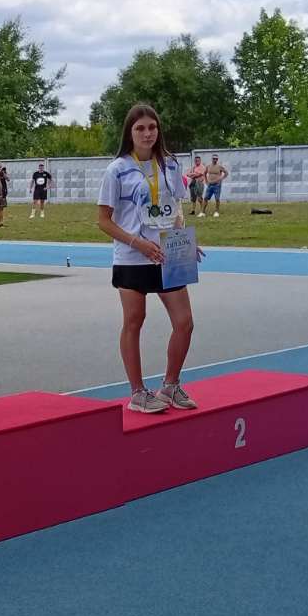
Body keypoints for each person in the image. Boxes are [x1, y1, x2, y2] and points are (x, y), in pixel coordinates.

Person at [97, 103, 200, 415]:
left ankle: (170, 385)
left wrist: (184, 241)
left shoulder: (170, 164)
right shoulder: (117, 169)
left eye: (152, 127)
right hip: (132, 256)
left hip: (167, 255)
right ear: (129, 133)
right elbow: (103, 221)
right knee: (134, 320)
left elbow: (176, 209)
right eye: (140, 128)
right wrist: (138, 243)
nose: (147, 133)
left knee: (184, 323)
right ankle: (138, 392)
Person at [203, 153, 229, 217]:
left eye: (216, 159)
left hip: (217, 185)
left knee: (217, 198)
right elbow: (204, 173)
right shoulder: (208, 166)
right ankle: (203, 212)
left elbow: (226, 173)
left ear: (217, 159)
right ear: (212, 159)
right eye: (214, 159)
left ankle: (216, 212)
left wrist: (221, 178)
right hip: (210, 185)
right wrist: (206, 181)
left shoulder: (219, 166)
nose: (215, 160)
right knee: (205, 198)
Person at [188, 154, 207, 218]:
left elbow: (199, 175)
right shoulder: (193, 167)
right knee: (193, 198)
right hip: (193, 183)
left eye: (198, 160)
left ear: (200, 161)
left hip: (199, 183)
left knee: (199, 197)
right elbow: (188, 174)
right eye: (196, 160)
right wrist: (193, 174)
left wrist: (193, 174)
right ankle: (193, 210)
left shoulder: (202, 167)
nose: (197, 161)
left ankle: (202, 210)